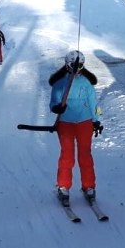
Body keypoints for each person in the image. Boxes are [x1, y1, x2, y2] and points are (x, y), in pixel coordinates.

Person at [50, 50, 102, 205]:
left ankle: (89, 186)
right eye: (74, 65)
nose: (76, 68)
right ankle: (63, 186)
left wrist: (96, 119)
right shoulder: (60, 83)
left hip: (84, 123)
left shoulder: (86, 82)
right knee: (67, 156)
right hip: (65, 124)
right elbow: (53, 102)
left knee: (85, 155)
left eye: (80, 65)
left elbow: (94, 103)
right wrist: (56, 108)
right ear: (67, 65)